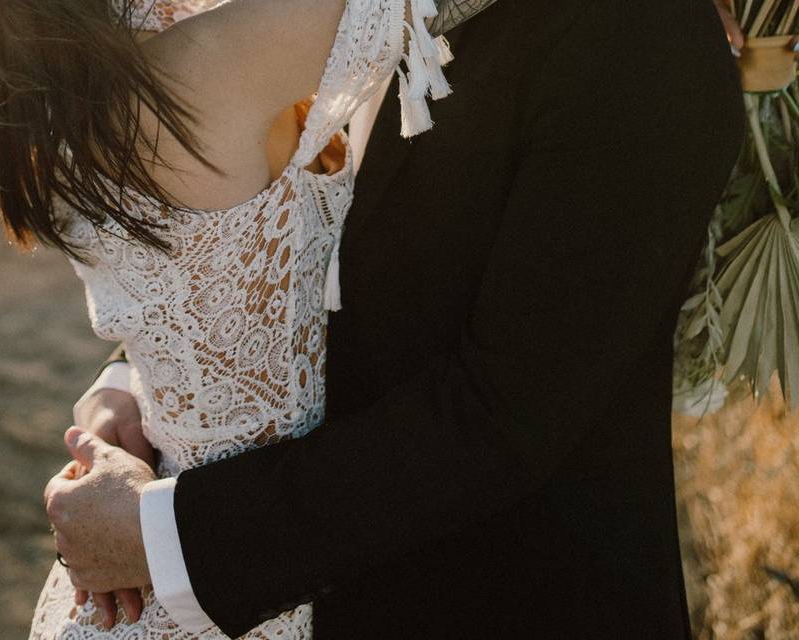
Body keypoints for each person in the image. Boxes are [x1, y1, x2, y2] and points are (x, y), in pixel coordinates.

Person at [43, 0, 748, 638]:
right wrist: (137, 382)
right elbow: (266, 249)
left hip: (499, 600)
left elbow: (506, 416)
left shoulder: (635, 34)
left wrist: (168, 538)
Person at [0, 0, 499, 637]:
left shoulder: (76, 81)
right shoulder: (204, 60)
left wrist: (118, 384)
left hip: (184, 545)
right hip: (228, 567)